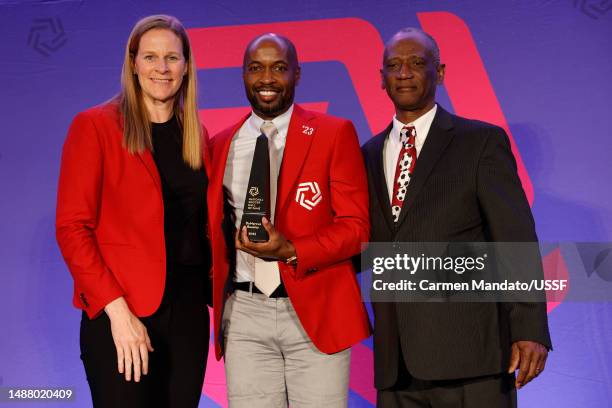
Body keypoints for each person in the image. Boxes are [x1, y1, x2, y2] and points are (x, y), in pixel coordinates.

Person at [361, 27, 552, 407]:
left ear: (441, 72)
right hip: (396, 364)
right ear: (381, 78)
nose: (404, 73)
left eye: (417, 63)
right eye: (393, 65)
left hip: (472, 357)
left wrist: (529, 327)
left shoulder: (479, 142)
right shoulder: (366, 154)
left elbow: (513, 238)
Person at [207, 33, 371, 407]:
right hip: (245, 313)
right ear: (244, 75)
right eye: (256, 68)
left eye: (279, 68)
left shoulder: (334, 134)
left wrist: (293, 249)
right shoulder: (220, 144)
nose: (267, 78)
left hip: (316, 309)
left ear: (297, 74)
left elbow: (357, 227)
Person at [56, 15, 211, 408]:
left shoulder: (197, 135)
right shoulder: (95, 126)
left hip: (189, 317)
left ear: (187, 65)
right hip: (121, 317)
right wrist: (117, 314)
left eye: (172, 58)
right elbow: (73, 228)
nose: (162, 68)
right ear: (133, 63)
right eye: (151, 57)